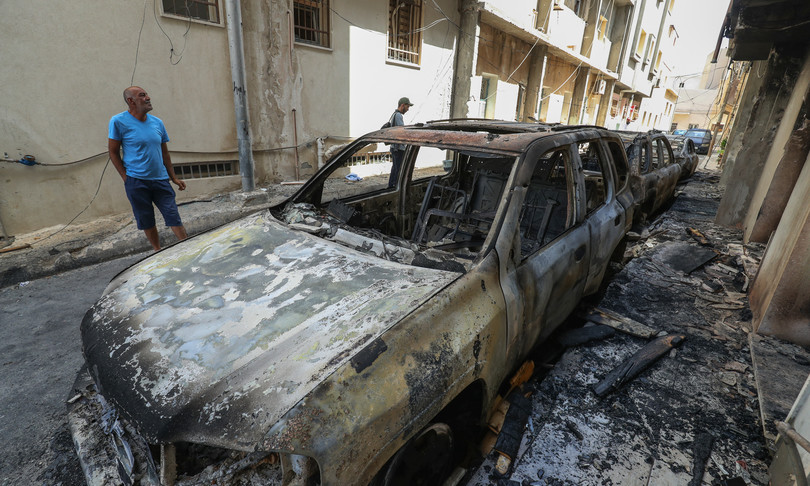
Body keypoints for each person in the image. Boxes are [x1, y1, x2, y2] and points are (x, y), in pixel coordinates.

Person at [108, 86, 188, 251]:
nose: (148, 98)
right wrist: (126, 178)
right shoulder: (118, 121)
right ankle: (157, 251)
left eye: (147, 94)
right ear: (131, 101)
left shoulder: (157, 122)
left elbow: (164, 153)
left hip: (160, 179)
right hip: (136, 181)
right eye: (142, 95)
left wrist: (173, 177)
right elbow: (113, 152)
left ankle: (187, 247)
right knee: (146, 219)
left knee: (172, 214)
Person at [388, 96, 414, 188]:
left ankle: (391, 186)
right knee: (398, 169)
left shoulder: (394, 114)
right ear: (402, 105)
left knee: (395, 168)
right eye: (407, 107)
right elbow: (401, 131)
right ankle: (395, 187)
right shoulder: (398, 115)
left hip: (394, 147)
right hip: (398, 148)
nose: (408, 109)